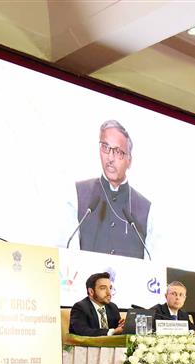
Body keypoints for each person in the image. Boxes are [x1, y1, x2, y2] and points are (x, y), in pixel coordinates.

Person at [66, 120, 156, 259]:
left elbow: (154, 265)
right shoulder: (78, 194)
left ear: (129, 160)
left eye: (118, 152)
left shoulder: (147, 209)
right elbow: (66, 254)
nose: (110, 157)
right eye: (105, 147)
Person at [69, 272, 124, 336]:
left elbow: (117, 331)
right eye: (103, 288)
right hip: (86, 345)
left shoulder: (113, 307)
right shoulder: (80, 308)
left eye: (110, 288)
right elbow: (83, 332)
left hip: (111, 345)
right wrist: (112, 331)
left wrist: (123, 326)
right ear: (91, 292)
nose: (109, 293)